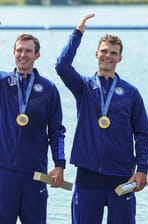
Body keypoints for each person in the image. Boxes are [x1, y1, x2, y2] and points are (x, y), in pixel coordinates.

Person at [55, 14, 148, 224]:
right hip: (88, 174)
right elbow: (61, 66)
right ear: (97, 54)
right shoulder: (83, 87)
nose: (108, 56)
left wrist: (142, 168)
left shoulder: (131, 93)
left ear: (120, 58)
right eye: (104, 52)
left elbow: (143, 134)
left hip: (122, 175)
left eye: (113, 53)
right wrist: (77, 33)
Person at [0, 34, 66, 223]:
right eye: (19, 50)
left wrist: (59, 165)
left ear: (37, 55)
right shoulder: (3, 83)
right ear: (13, 53)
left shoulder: (48, 89)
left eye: (28, 51)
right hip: (4, 173)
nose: (23, 54)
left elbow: (57, 131)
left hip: (35, 174)